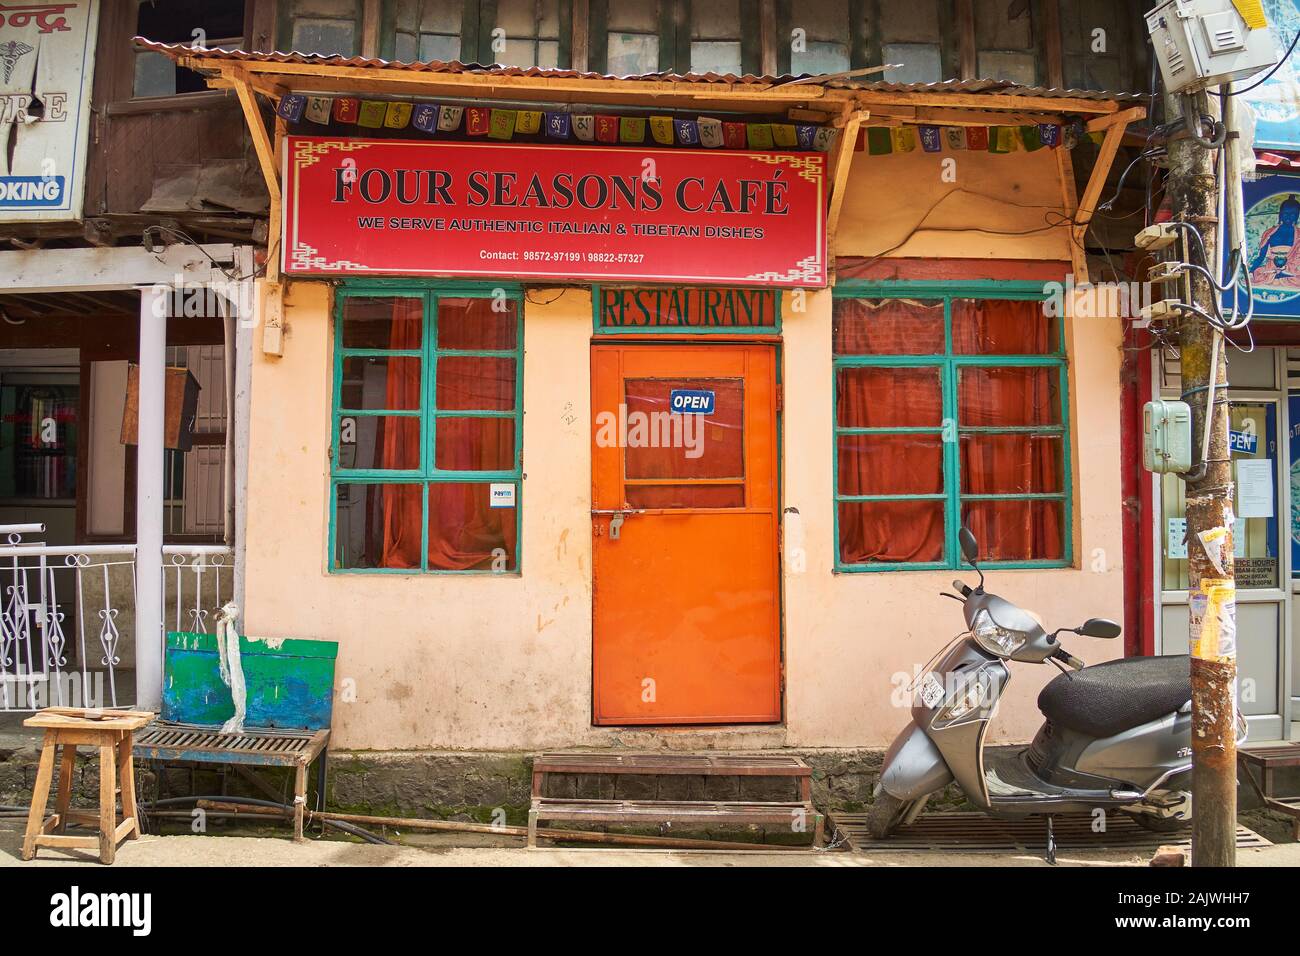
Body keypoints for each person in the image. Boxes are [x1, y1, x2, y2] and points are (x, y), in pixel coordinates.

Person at [1251, 194, 1300, 285]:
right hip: (1270, 270)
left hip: (1290, 271)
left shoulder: (1299, 235)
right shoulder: (1269, 233)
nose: (1289, 217)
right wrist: (1251, 271)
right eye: (1286, 213)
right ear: (1280, 214)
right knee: (1258, 273)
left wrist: (1288, 268)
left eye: (1293, 214)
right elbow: (1261, 257)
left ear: (1297, 216)